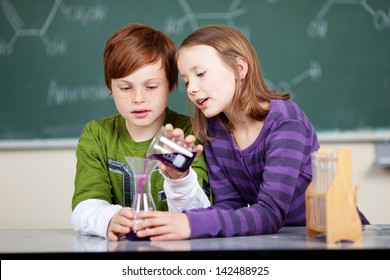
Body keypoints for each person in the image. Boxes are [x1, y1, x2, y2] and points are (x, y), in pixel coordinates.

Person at [132, 24, 370, 240]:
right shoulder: (215, 130)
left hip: (334, 241)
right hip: (281, 241)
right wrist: (182, 218)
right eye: (186, 81)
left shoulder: (284, 120)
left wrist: (192, 224)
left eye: (200, 74)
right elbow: (229, 204)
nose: (192, 89)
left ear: (239, 67)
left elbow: (270, 212)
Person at [71, 23, 211, 241]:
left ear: (171, 83)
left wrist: (180, 178)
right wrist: (108, 218)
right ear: (110, 86)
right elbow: (84, 208)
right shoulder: (97, 135)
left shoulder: (191, 132)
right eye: (125, 88)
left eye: (151, 86)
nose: (138, 98)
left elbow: (203, 213)